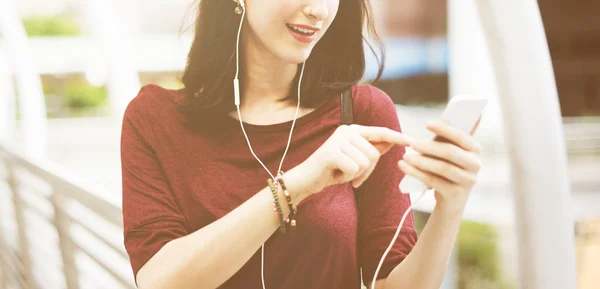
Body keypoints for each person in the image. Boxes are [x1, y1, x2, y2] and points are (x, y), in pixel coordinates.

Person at [120, 0, 483, 288]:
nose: (319, 9)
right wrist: (297, 184)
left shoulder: (363, 113)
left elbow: (392, 284)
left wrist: (450, 205)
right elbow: (159, 281)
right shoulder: (155, 118)